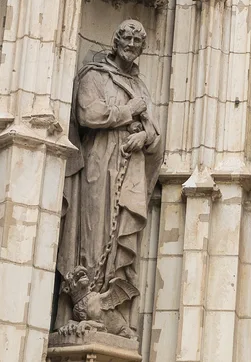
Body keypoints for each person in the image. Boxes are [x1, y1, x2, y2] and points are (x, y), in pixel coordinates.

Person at [56, 20, 162, 338]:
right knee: (92, 233)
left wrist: (144, 138)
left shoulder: (140, 85)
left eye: (137, 42)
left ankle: (107, 307)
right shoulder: (94, 75)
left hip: (129, 168)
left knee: (117, 242)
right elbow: (88, 114)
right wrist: (129, 111)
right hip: (99, 165)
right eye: (127, 40)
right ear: (115, 43)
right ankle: (79, 303)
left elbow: (154, 131)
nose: (131, 46)